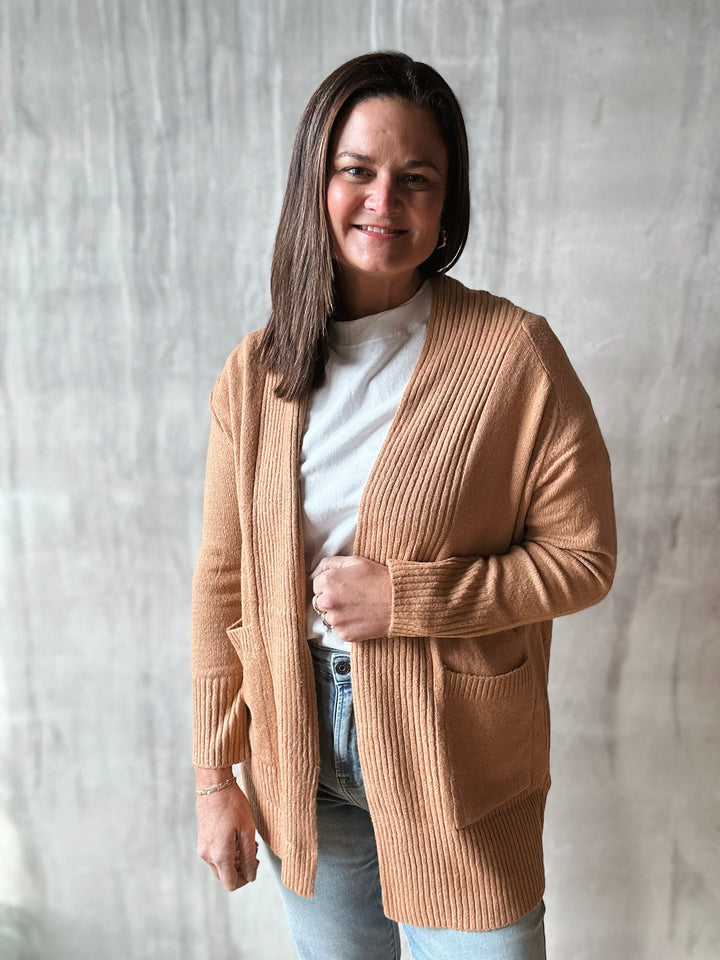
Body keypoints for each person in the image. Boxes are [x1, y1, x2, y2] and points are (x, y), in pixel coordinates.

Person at [191, 51, 616, 960]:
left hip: (458, 765)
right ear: (319, 179)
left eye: (415, 178)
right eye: (358, 171)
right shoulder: (256, 372)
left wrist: (407, 597)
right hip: (299, 760)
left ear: (445, 204)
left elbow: (584, 557)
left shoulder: (513, 356)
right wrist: (212, 774)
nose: (384, 200)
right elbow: (223, 582)